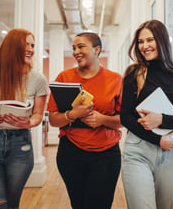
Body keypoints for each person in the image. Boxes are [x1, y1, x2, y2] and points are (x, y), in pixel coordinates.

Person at [120, 19, 173, 209]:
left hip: (171, 153)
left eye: (150, 40)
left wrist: (161, 120)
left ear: (162, 41)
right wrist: (157, 140)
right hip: (138, 151)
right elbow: (125, 116)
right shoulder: (134, 74)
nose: (144, 46)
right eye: (140, 42)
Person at [0, 28, 48, 209]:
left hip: (19, 147)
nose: (31, 49)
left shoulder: (38, 79)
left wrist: (29, 122)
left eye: (33, 45)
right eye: (26, 45)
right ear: (12, 47)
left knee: (11, 205)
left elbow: (38, 114)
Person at [47, 32, 123, 209]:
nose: (76, 51)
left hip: (106, 154)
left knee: (100, 205)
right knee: (79, 204)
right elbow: (53, 119)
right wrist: (72, 114)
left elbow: (123, 120)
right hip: (71, 152)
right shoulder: (64, 78)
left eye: (81, 46)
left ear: (97, 50)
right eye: (73, 48)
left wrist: (102, 119)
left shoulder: (115, 79)